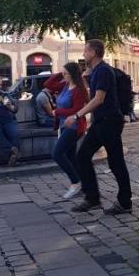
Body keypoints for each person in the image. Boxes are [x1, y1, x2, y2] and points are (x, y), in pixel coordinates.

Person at [68, 39, 132, 215]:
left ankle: (124, 202)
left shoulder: (103, 71)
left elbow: (99, 99)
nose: (83, 54)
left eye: (85, 51)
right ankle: (92, 198)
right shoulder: (97, 71)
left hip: (109, 122)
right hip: (101, 122)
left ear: (94, 52)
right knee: (82, 156)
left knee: (116, 162)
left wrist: (77, 116)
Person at [52, 62, 88, 199]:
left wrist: (58, 112)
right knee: (71, 156)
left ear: (72, 74)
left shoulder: (79, 89)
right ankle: (84, 185)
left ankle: (75, 182)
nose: (63, 76)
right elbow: (48, 84)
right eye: (63, 73)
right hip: (64, 125)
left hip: (74, 126)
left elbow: (76, 110)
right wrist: (60, 73)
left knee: (57, 154)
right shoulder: (65, 85)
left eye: (66, 73)